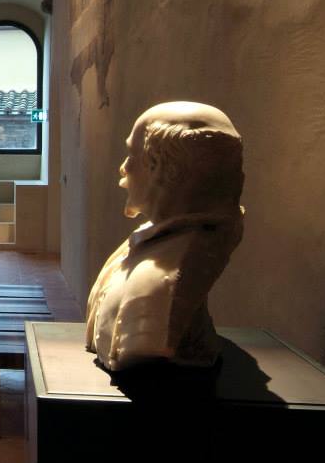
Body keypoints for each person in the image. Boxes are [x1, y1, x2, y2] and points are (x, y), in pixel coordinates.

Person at [85, 102, 245, 371]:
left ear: (163, 169)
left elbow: (142, 346)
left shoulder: (164, 275)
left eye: (132, 155)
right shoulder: (151, 243)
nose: (123, 168)